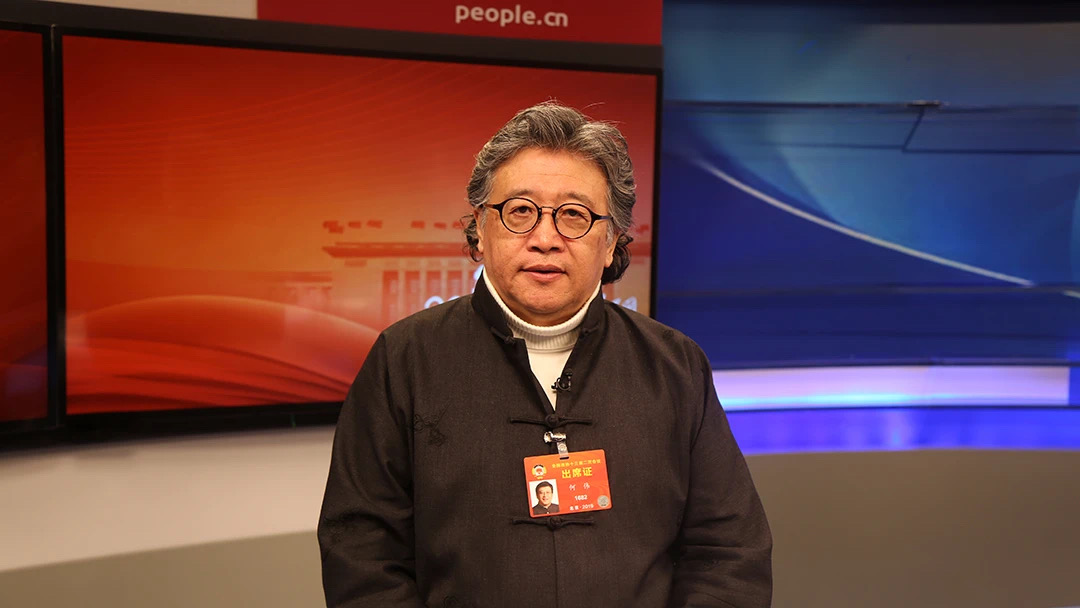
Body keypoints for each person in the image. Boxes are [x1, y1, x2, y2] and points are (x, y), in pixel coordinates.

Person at [318, 102, 772, 607]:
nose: (545, 239)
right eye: (520, 211)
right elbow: (362, 556)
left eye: (574, 215)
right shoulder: (403, 360)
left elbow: (727, 552)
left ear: (611, 243)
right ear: (479, 228)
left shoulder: (674, 365)